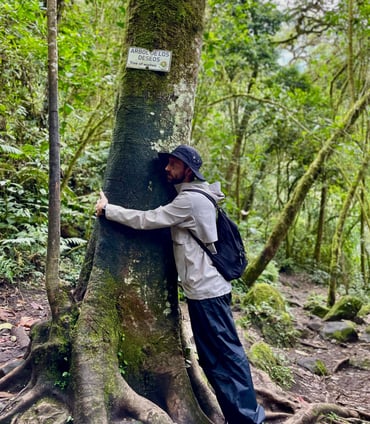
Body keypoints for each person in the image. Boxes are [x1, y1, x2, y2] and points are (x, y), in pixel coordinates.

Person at [95, 145, 265, 424]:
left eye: (173, 164)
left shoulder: (190, 202)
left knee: (226, 357)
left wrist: (108, 210)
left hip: (208, 293)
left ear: (188, 170)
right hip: (205, 292)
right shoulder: (194, 196)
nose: (167, 168)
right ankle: (242, 417)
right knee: (215, 360)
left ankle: (249, 419)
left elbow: (147, 219)